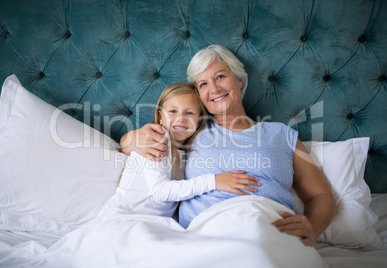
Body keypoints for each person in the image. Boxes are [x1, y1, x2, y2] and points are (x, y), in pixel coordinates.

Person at [120, 45, 336, 246]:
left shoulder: (281, 135)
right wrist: (132, 138)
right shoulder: (192, 129)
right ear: (199, 96)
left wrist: (312, 229)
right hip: (205, 236)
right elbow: (131, 145)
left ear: (239, 79)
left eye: (220, 76)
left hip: (269, 231)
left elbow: (320, 196)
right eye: (203, 84)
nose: (214, 89)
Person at [105, 82, 259, 218]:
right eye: (172, 111)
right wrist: (214, 181)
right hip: (126, 218)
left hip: (152, 222)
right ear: (160, 117)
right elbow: (161, 191)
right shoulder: (158, 140)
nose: (180, 118)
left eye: (189, 113)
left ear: (199, 121)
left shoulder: (184, 150)